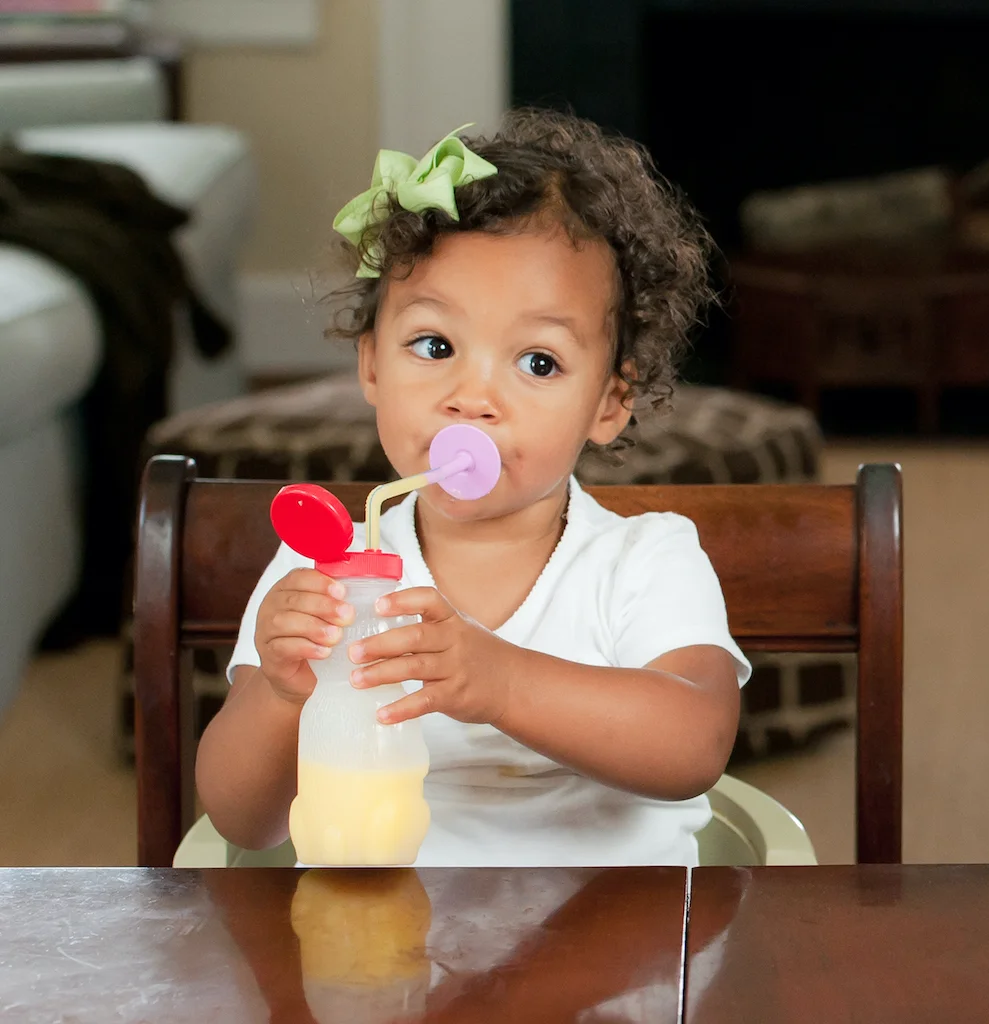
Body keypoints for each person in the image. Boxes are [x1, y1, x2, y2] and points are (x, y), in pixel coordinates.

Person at [195, 108, 750, 867]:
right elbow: (241, 821)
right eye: (434, 345)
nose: (472, 396)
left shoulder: (644, 562)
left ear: (609, 403)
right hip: (383, 953)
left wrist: (500, 682)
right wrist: (282, 698)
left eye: (538, 362)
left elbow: (694, 745)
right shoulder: (321, 570)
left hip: (610, 956)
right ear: (370, 366)